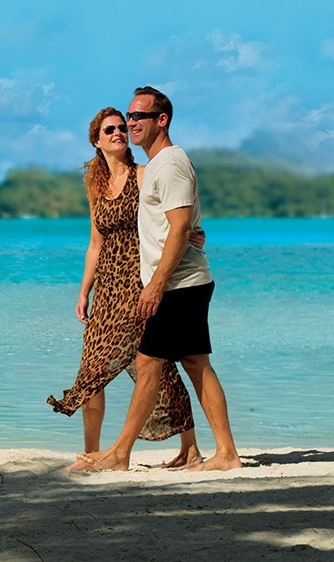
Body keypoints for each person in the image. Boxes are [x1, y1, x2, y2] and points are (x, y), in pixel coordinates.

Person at [75, 86, 241, 472]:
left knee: (151, 365)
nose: (128, 126)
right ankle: (223, 453)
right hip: (172, 282)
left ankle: (120, 454)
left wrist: (155, 282)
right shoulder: (157, 166)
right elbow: (172, 223)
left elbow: (181, 226)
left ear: (160, 120)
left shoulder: (163, 165)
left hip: (173, 284)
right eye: (124, 120)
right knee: (193, 364)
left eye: (136, 118)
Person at [48, 107, 203, 470]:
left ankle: (190, 448)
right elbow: (95, 244)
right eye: (110, 129)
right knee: (92, 370)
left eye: (122, 127)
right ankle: (93, 449)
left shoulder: (144, 174)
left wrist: (195, 233)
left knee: (160, 368)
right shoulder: (96, 187)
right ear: (97, 140)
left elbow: (177, 213)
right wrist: (84, 291)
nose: (119, 132)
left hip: (140, 283)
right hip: (107, 289)